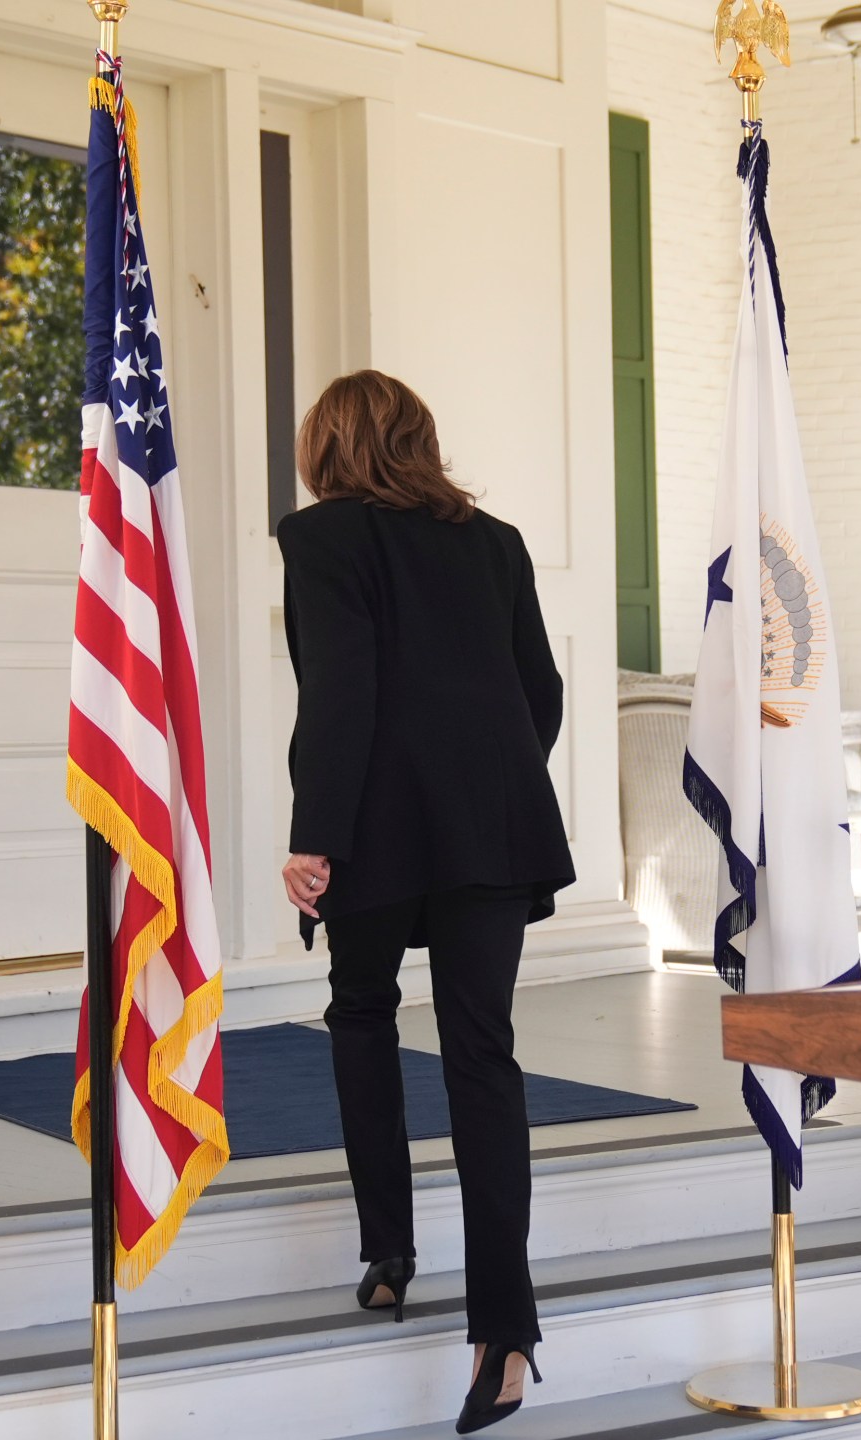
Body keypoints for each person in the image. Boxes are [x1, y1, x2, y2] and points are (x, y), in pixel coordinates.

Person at [277, 369, 573, 1434]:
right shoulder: (493, 542)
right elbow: (536, 692)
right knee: (481, 1052)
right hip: (492, 823)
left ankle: (389, 1256)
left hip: (373, 824)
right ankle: (506, 1336)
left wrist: (316, 834)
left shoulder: (320, 541)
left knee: (361, 1013)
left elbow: (339, 692)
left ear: (327, 448)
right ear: (419, 440)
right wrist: (481, 784)